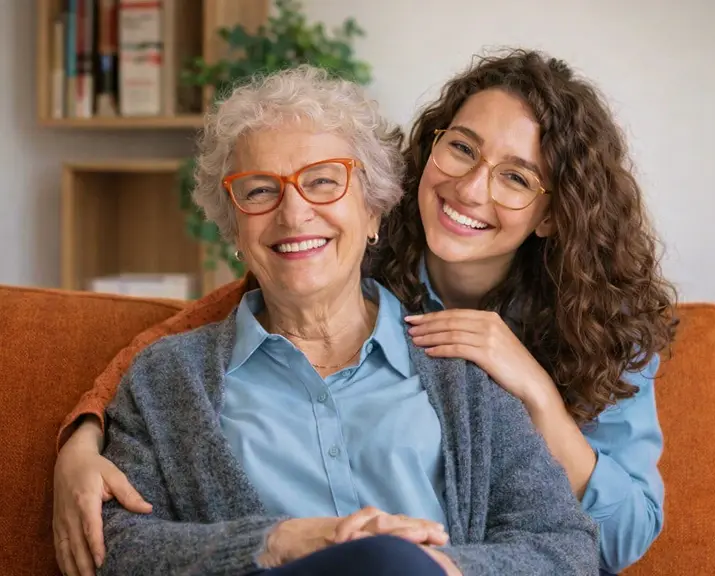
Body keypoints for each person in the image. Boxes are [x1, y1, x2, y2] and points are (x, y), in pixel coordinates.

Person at [53, 48, 675, 575]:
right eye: (461, 148)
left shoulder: (505, 370)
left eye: (516, 178)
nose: (470, 189)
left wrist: (536, 394)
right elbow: (173, 344)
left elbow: (586, 543)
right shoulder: (185, 367)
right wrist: (81, 434)